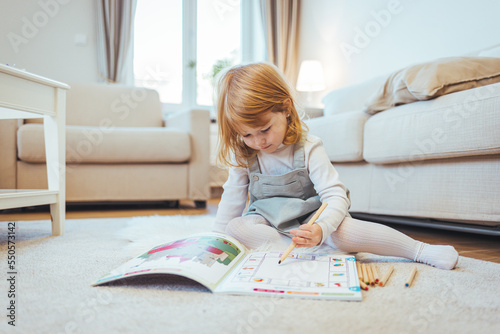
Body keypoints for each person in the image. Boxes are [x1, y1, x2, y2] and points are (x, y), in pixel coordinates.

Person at [212, 62, 458, 270]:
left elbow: (335, 195)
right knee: (236, 228)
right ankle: (313, 254)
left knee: (347, 231)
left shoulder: (309, 147)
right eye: (247, 135)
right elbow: (232, 201)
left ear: (286, 109)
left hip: (311, 221)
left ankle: (419, 250)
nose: (258, 141)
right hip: (268, 224)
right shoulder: (243, 154)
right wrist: (214, 242)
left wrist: (321, 228)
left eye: (264, 129)